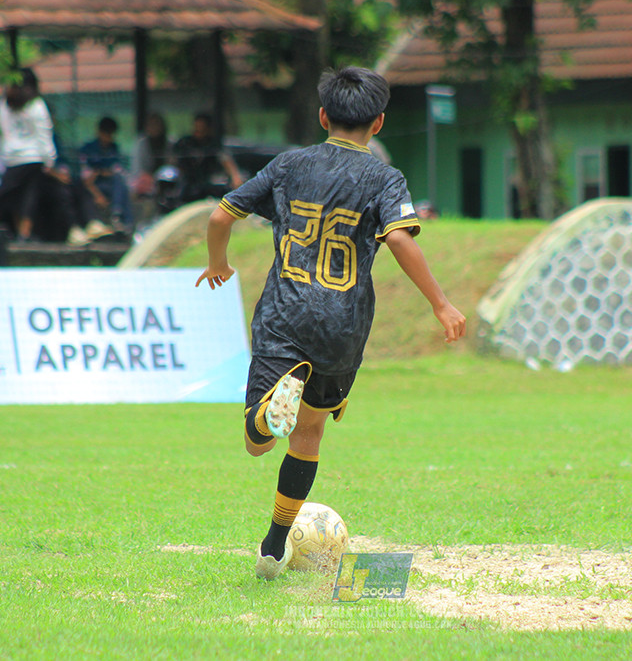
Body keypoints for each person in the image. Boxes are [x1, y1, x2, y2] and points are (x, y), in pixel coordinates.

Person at [195, 66, 466, 580]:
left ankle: (263, 416)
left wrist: (218, 264)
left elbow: (219, 217)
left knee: (259, 441)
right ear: (379, 123)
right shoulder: (385, 178)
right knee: (311, 433)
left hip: (284, 316)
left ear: (323, 115)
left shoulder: (290, 164)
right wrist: (441, 304)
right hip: (343, 326)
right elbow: (402, 239)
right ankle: (274, 545)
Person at [0, 68, 57, 241]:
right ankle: (22, 233)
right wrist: (49, 160)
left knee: (18, 197)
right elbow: (44, 133)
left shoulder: (4, 104)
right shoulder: (37, 105)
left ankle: (22, 234)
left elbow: (2, 126)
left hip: (14, 159)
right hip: (33, 159)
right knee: (27, 198)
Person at [78, 116, 134, 230]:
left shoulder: (114, 148)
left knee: (121, 184)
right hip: (93, 188)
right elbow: (86, 179)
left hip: (110, 185)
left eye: (110, 134)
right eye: (105, 133)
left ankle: (123, 220)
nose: (108, 137)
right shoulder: (88, 149)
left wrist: (101, 172)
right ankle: (114, 217)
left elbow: (117, 171)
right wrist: (98, 195)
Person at [174, 112, 242, 204]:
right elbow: (175, 161)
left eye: (203, 128)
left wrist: (235, 177)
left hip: (209, 181)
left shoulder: (214, 144)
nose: (199, 131)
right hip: (189, 181)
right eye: (197, 127)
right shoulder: (185, 143)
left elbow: (225, 159)